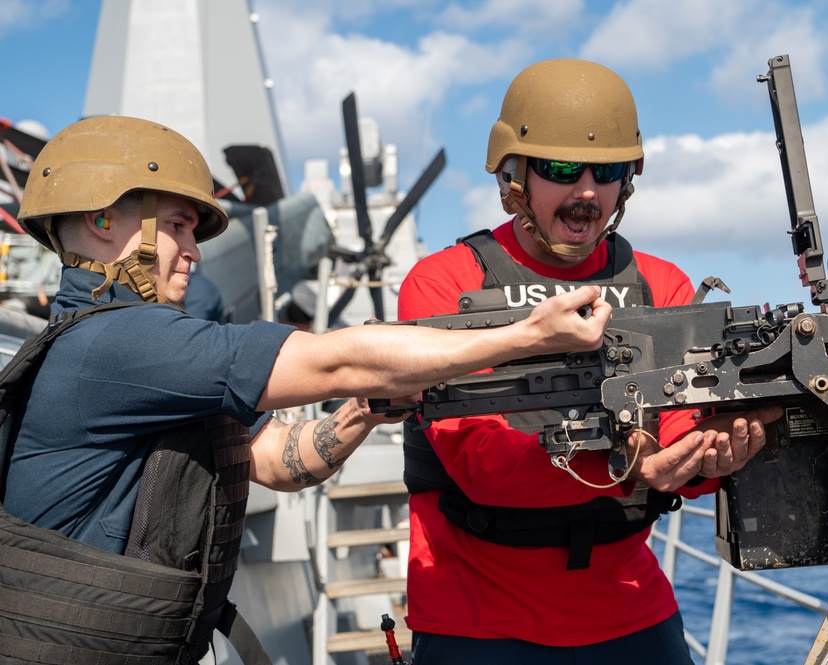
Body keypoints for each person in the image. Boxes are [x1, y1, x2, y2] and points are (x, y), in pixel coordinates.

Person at [0, 114, 611, 665]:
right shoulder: (117, 344)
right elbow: (333, 362)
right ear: (102, 220)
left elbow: (275, 460)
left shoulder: (136, 358)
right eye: (179, 227)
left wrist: (363, 415)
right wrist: (526, 336)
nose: (192, 252)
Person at [397, 58, 783, 664]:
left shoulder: (662, 285)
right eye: (559, 169)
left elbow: (681, 433)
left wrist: (713, 455)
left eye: (606, 171)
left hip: (629, 608)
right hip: (474, 616)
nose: (586, 193)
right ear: (512, 175)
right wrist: (633, 462)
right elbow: (478, 460)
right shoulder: (444, 282)